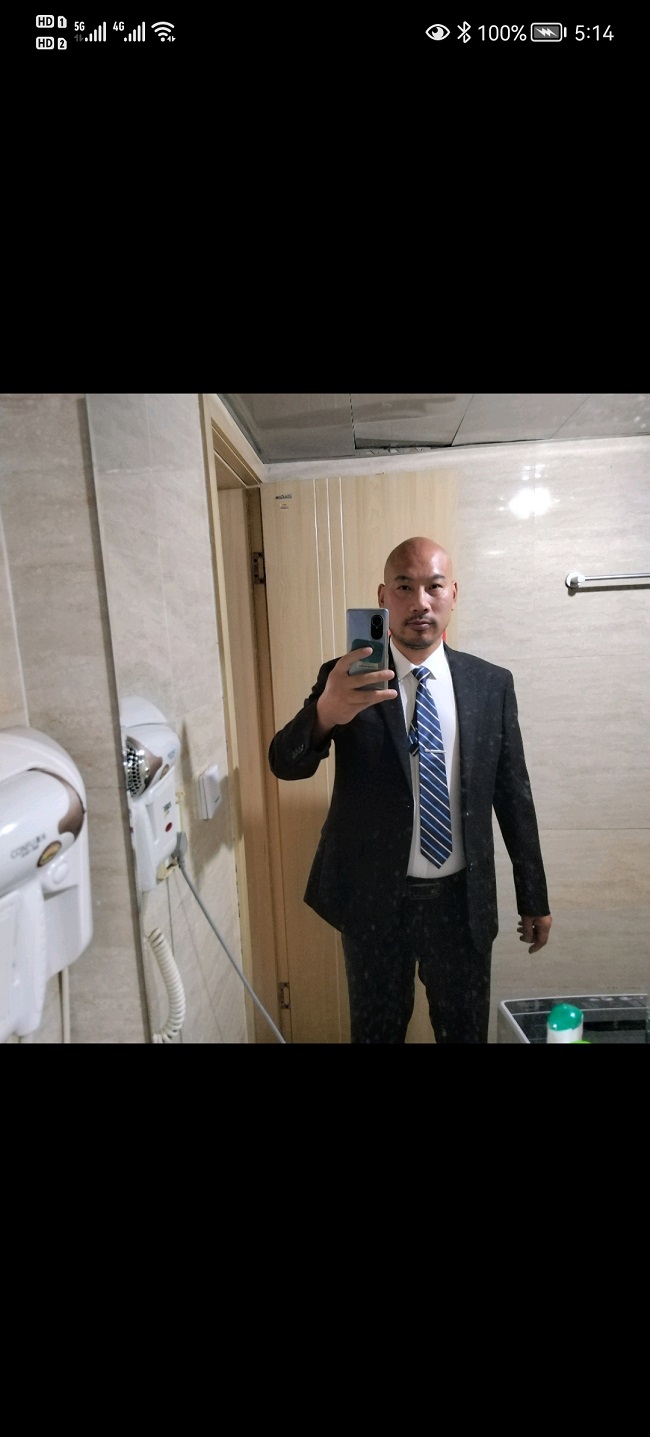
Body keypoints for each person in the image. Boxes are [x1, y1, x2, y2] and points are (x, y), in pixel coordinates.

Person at [268, 537, 551, 1044]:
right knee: (375, 1035)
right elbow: (285, 766)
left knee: (465, 1034)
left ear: (453, 594)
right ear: (383, 597)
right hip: (374, 898)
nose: (420, 601)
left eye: (433, 587)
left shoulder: (491, 684)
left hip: (461, 904)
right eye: (404, 586)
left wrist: (534, 897)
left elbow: (514, 796)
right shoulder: (345, 678)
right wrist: (326, 713)